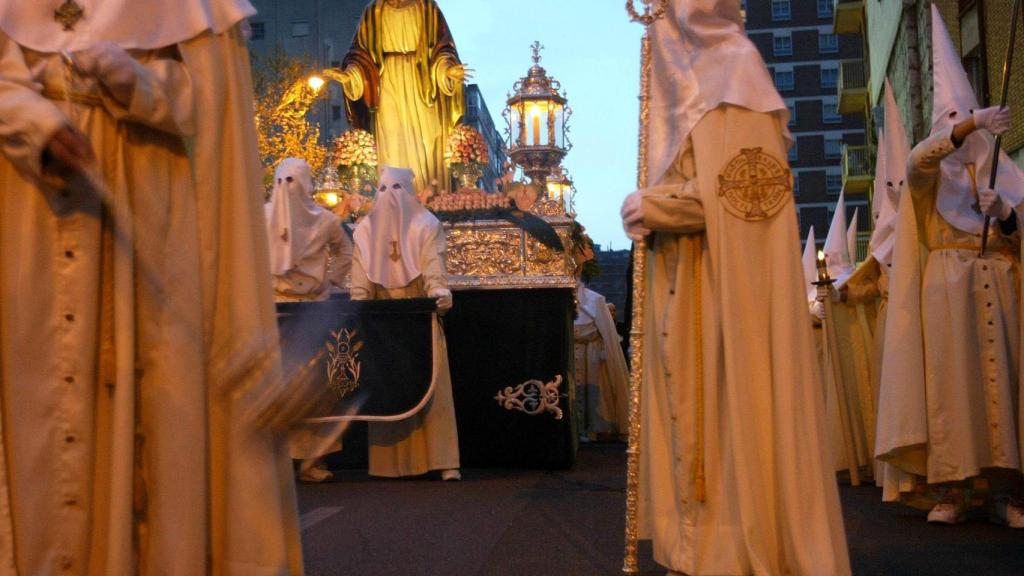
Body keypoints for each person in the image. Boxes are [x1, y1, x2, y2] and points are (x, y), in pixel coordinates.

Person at [0, 0, 304, 573]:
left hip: (152, 215)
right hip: (28, 218)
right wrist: (35, 121)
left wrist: (131, 80)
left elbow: (207, 105)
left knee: (159, 421)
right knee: (36, 409)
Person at [618, 0, 851, 573]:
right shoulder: (686, 90)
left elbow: (744, 198)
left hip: (725, 293)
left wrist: (654, 207)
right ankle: (694, 550)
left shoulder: (736, 75)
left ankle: (728, 553)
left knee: (726, 415)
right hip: (685, 279)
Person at [875, 5, 1024, 527]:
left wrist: (1006, 215)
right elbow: (917, 162)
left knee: (1004, 389)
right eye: (954, 124)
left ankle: (1009, 492)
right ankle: (954, 489)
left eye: (972, 121)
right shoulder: (930, 179)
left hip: (1001, 287)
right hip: (947, 292)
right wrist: (970, 125)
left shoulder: (1003, 175)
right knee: (952, 391)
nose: (964, 134)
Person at [351, 165, 460, 480]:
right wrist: (359, 301)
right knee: (389, 386)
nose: (390, 197)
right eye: (383, 190)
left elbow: (433, 263)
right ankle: (390, 463)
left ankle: (443, 459)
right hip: (383, 321)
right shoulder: (365, 231)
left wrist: (438, 290)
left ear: (410, 193)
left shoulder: (426, 225)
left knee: (433, 385)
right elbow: (361, 278)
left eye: (397, 189)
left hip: (419, 315)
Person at [265, 157, 353, 483]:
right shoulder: (261, 216)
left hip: (312, 309)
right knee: (276, 387)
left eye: (293, 181)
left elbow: (346, 252)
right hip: (273, 309)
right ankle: (272, 461)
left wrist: (330, 282)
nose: (287, 189)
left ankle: (312, 461)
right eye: (282, 181)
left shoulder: (325, 220)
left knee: (315, 389)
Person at [336, 0, 469, 190]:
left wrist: (447, 70)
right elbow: (360, 56)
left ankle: (428, 196)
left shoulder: (427, 7)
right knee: (391, 143)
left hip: (424, 85)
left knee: (427, 146)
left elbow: (442, 49)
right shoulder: (374, 10)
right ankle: (393, 198)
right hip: (387, 85)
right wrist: (350, 76)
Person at [574, 283, 630, 439]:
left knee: (595, 395)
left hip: (592, 357)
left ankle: (595, 429)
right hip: (572, 356)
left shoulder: (595, 300)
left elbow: (608, 337)